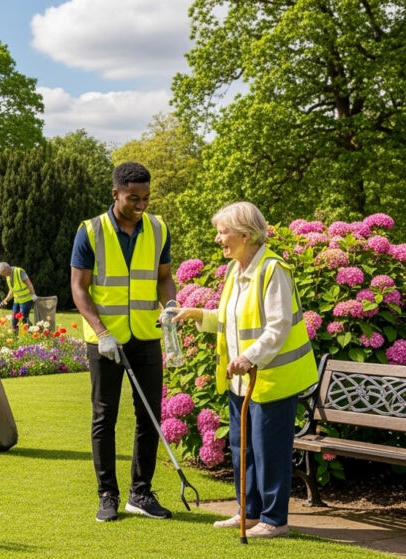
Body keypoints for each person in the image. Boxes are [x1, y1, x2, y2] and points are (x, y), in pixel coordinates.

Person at [169, 202, 316, 538]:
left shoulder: (272, 269)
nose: (219, 239)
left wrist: (250, 357)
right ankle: (248, 512)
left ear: (246, 234)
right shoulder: (238, 269)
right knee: (243, 447)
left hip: (273, 378)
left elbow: (277, 326)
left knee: (269, 450)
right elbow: (231, 322)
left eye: (223, 232)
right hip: (241, 380)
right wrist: (197, 314)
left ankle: (274, 520)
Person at [70, 162, 176, 522]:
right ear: (115, 194)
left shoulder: (159, 229)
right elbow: (79, 289)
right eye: (133, 198)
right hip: (105, 341)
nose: (141, 204)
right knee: (105, 417)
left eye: (146, 197)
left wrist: (172, 304)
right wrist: (101, 332)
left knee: (150, 415)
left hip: (146, 336)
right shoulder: (90, 231)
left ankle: (141, 493)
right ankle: (107, 494)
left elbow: (164, 279)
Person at [0, 261, 37, 332]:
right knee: (14, 319)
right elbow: (11, 291)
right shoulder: (8, 277)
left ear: (8, 268)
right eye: (3, 275)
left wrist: (33, 295)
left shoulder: (19, 271)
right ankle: (15, 336)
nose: (5, 275)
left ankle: (33, 332)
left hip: (26, 299)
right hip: (17, 300)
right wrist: (5, 300)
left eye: (5, 273)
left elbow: (29, 283)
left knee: (23, 319)